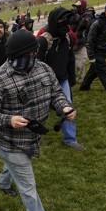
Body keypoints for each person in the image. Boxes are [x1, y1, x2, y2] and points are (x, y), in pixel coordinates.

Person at [0, 30, 76, 211]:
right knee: (28, 185)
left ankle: (2, 183)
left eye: (35, 53)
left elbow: (56, 93)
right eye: (30, 53)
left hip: (33, 138)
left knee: (14, 168)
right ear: (17, 56)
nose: (34, 57)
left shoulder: (43, 69)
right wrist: (9, 119)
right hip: (10, 142)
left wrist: (65, 108)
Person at [37, 8, 84, 151]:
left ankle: (70, 139)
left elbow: (70, 59)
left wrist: (71, 78)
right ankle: (33, 140)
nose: (65, 25)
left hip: (62, 80)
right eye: (61, 21)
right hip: (43, 83)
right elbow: (35, 64)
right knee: (37, 112)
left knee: (68, 108)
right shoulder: (44, 40)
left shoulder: (67, 38)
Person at [80, 1, 106, 100]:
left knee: (95, 70)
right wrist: (91, 57)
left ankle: (84, 86)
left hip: (105, 51)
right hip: (96, 51)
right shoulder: (97, 23)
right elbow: (89, 41)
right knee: (103, 70)